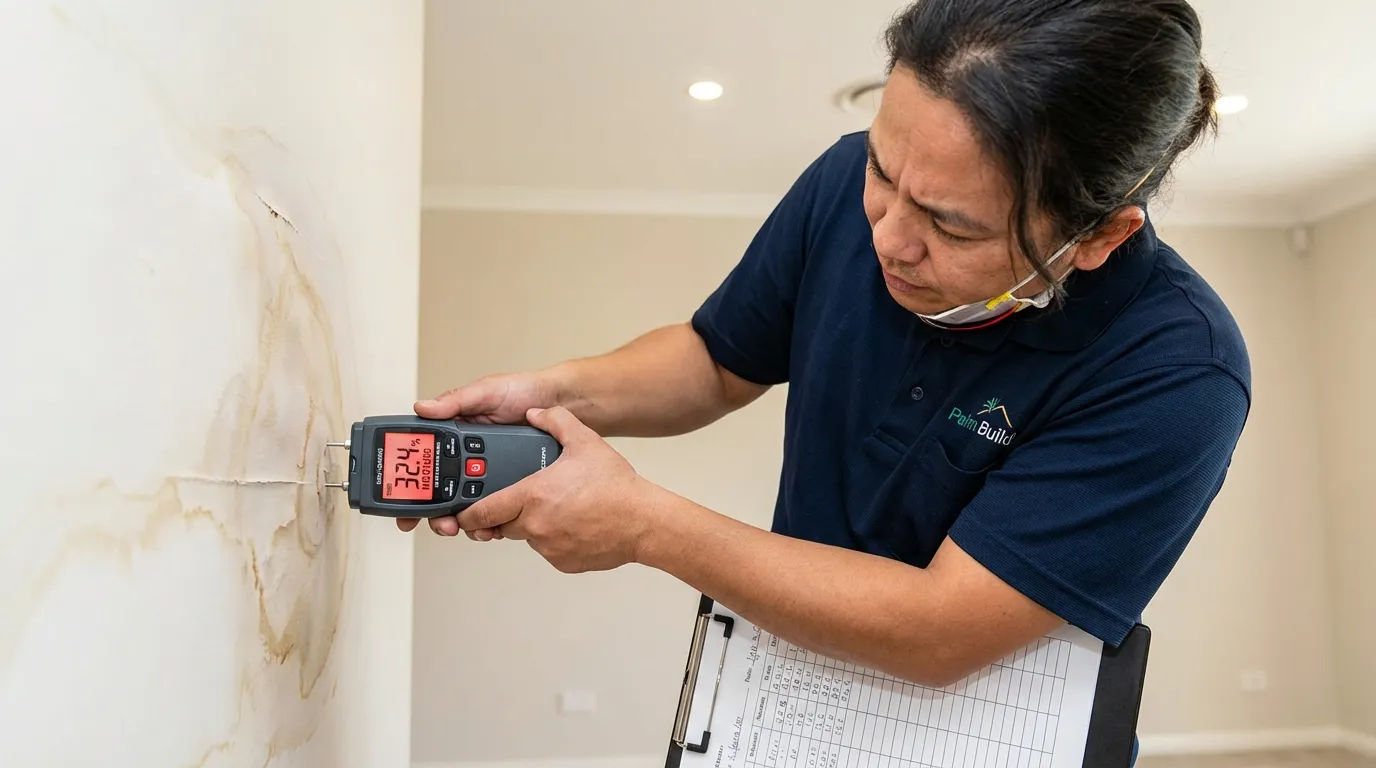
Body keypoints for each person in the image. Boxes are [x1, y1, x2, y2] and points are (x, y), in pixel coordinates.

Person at [402, 1, 1248, 759]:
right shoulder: (845, 181)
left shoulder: (1176, 371)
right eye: (886, 173)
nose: (889, 237)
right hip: (781, 713)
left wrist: (644, 526)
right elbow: (714, 359)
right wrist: (551, 396)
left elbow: (939, 629)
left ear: (1098, 237)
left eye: (951, 226)